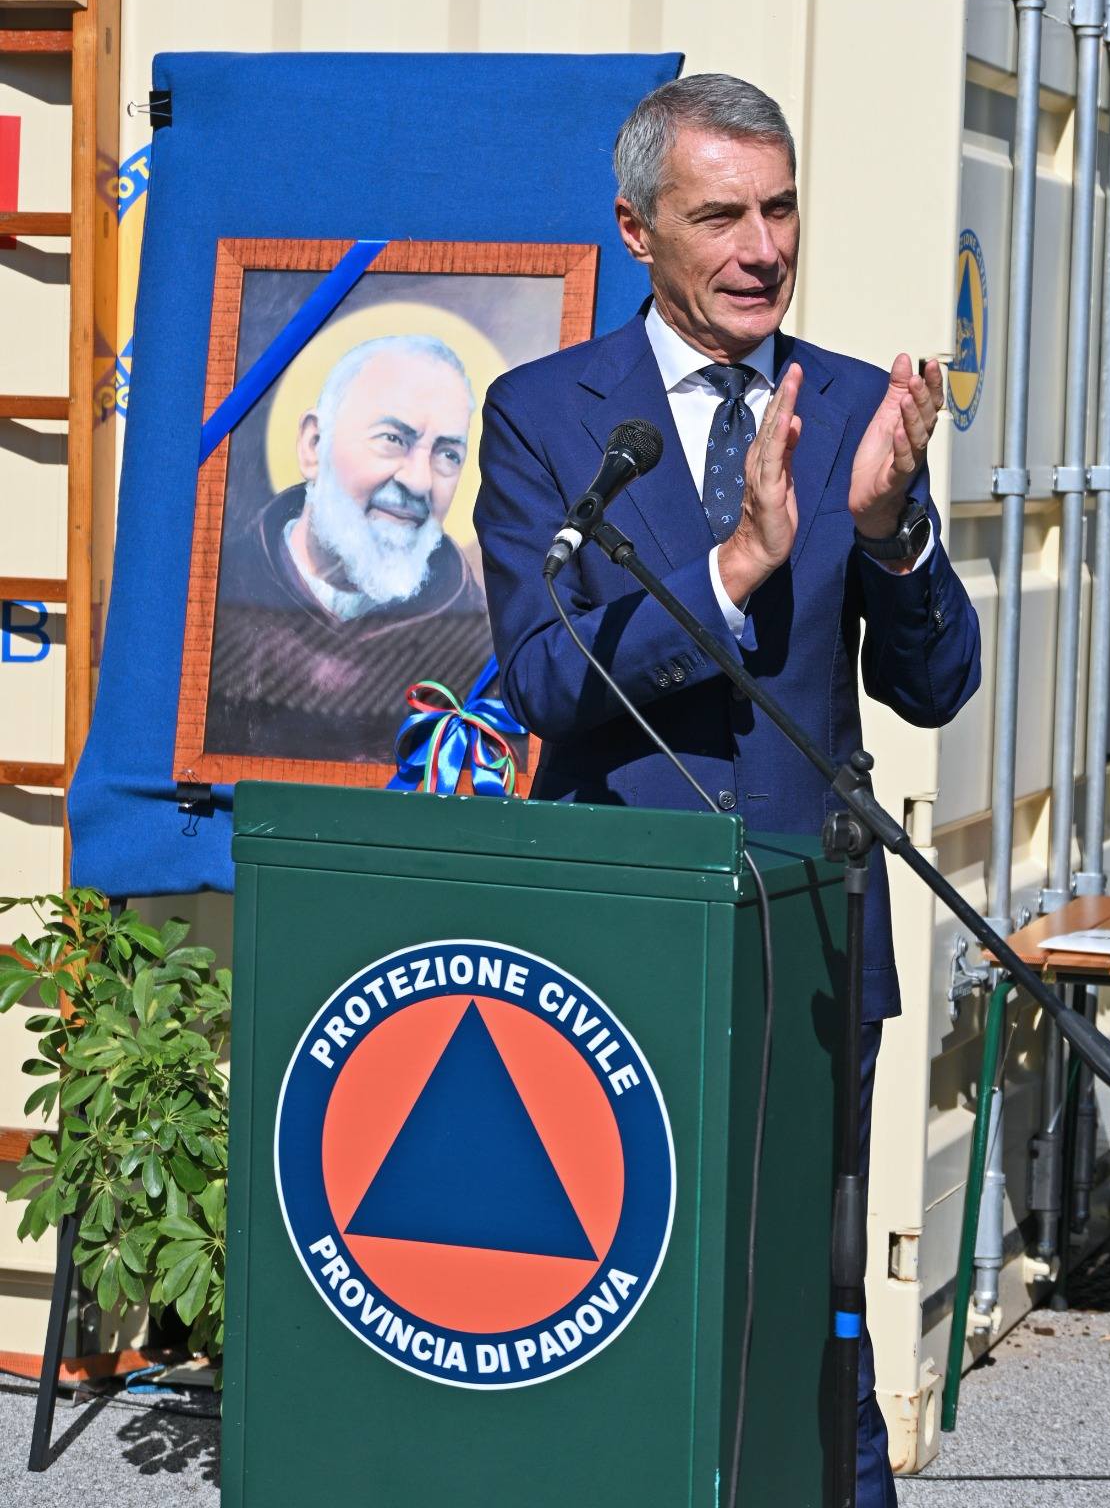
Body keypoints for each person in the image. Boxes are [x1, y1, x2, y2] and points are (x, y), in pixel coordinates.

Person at [473, 74, 981, 1506]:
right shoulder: (546, 417)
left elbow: (937, 683)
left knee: (811, 1305)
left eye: (780, 209)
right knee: (605, 1290)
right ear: (637, 229)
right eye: (721, 217)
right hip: (611, 938)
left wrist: (888, 535)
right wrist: (731, 570)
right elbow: (546, 678)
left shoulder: (854, 409)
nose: (763, 248)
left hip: (808, 943)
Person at [207, 334, 493, 763]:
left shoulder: (475, 642)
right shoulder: (213, 598)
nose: (420, 481)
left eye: (448, 454)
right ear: (314, 445)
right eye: (393, 438)